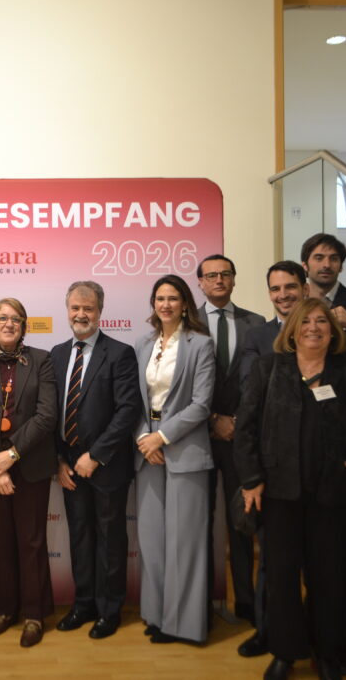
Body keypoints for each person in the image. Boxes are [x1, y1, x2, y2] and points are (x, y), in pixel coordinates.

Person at [234, 298, 346, 680]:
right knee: (281, 578)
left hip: (331, 495)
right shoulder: (269, 368)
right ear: (291, 329)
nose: (313, 327)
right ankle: (286, 652)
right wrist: (251, 480)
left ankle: (327, 652)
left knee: (329, 577)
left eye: (321, 321)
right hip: (278, 494)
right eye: (305, 321)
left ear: (333, 329)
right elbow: (245, 428)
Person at [0, 298, 57, 648]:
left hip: (29, 463)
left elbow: (47, 415)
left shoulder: (42, 360)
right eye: (2, 318)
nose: (9, 323)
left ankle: (34, 614)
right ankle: (5, 609)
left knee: (31, 541)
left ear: (24, 326)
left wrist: (12, 455)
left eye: (16, 319)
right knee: (3, 540)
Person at [53, 281, 142, 640]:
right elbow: (50, 413)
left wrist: (96, 455)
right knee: (79, 537)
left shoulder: (119, 353)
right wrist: (60, 460)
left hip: (106, 466)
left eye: (88, 308)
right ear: (67, 309)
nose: (81, 314)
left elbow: (127, 411)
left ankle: (109, 609)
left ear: (100, 311)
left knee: (110, 539)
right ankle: (83, 603)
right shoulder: (57, 354)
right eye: (75, 307)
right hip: (69, 467)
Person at [300, 232, 346, 667]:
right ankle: (302, 635)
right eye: (317, 257)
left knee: (345, 549)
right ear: (305, 263)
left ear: (342, 265)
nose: (325, 264)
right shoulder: (297, 305)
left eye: (332, 258)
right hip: (299, 445)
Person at [135, 275, 216, 644]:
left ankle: (184, 625)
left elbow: (201, 404)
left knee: (184, 543)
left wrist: (162, 437)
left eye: (173, 298)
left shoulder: (200, 344)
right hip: (147, 452)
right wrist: (143, 439)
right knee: (152, 540)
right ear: (152, 303)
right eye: (160, 298)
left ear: (185, 303)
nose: (165, 304)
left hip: (184, 451)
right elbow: (133, 399)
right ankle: (157, 614)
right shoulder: (143, 344)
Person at [234, 259, 308, 659]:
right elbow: (250, 399)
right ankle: (269, 633)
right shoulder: (259, 336)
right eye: (276, 289)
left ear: (304, 287)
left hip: (317, 472)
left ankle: (319, 637)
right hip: (271, 468)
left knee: (319, 565)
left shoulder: (323, 329)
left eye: (290, 286)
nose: (283, 295)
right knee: (272, 563)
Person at [195, 255, 265, 627]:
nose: (219, 280)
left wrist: (238, 422)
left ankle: (247, 603)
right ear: (201, 284)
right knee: (200, 522)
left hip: (241, 438)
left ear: (234, 280)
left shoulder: (257, 324)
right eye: (211, 276)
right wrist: (212, 420)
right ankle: (202, 603)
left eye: (225, 274)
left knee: (242, 523)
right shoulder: (186, 325)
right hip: (198, 439)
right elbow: (177, 385)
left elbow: (260, 383)